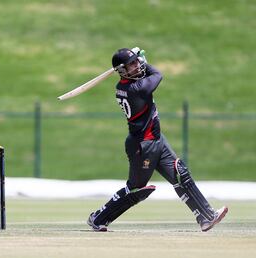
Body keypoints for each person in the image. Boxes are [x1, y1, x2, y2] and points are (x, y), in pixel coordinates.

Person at [87, 47, 228, 232]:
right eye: (132, 65)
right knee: (136, 189)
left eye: (137, 62)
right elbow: (157, 74)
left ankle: (206, 216)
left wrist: (136, 58)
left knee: (181, 173)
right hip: (142, 145)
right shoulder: (135, 88)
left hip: (156, 139)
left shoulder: (128, 84)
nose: (137, 66)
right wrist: (145, 61)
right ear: (122, 70)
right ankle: (99, 218)